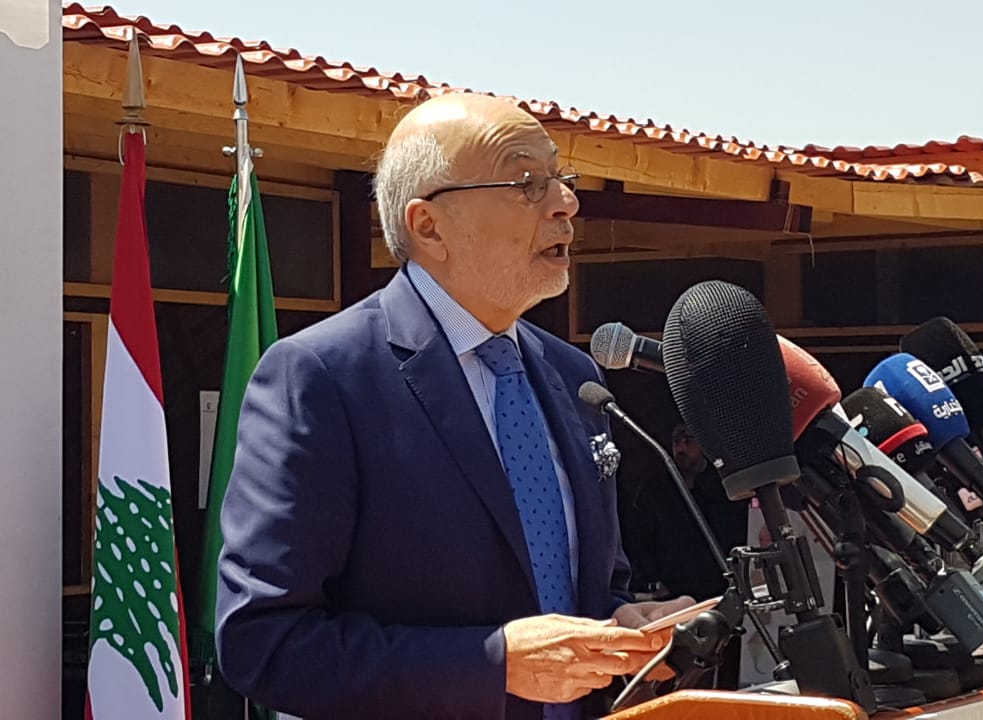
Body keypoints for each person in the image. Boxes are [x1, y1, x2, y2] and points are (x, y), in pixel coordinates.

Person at [215, 93, 694, 720]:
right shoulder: (321, 376)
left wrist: (622, 625)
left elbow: (584, 591)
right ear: (429, 226)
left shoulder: (575, 376)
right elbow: (264, 644)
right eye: (527, 183)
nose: (566, 203)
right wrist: (494, 664)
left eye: (561, 179)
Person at [627, 424, 750, 687]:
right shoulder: (655, 491)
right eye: (677, 441)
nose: (681, 448)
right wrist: (650, 581)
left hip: (717, 592)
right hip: (673, 596)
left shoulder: (723, 490)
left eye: (689, 440)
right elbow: (640, 540)